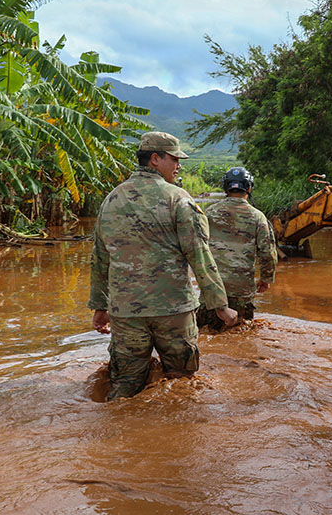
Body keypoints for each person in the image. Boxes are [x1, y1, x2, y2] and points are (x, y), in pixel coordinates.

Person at [88, 131, 238, 400]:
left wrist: (100, 307)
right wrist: (220, 305)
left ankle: (117, 437)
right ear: (155, 159)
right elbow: (199, 253)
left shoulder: (111, 199)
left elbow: (100, 257)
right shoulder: (178, 198)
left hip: (126, 312)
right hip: (173, 310)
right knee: (182, 385)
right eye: (174, 159)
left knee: (125, 387)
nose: (179, 165)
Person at [196, 166, 277, 331]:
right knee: (240, 334)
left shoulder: (210, 213)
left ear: (225, 187)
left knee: (205, 333)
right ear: (249, 188)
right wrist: (266, 278)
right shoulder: (257, 217)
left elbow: (196, 246)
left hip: (212, 288)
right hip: (241, 290)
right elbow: (267, 252)